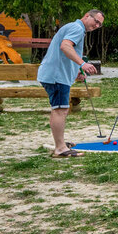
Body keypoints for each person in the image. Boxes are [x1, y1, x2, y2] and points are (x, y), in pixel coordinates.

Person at [37, 9, 103, 158]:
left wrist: (76, 71)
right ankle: (60, 148)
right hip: (57, 76)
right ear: (87, 16)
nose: (97, 26)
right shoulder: (77, 28)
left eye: (99, 24)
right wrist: (83, 64)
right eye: (96, 21)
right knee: (60, 110)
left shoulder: (74, 27)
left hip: (56, 75)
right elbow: (65, 46)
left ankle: (60, 143)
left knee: (60, 109)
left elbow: (64, 53)